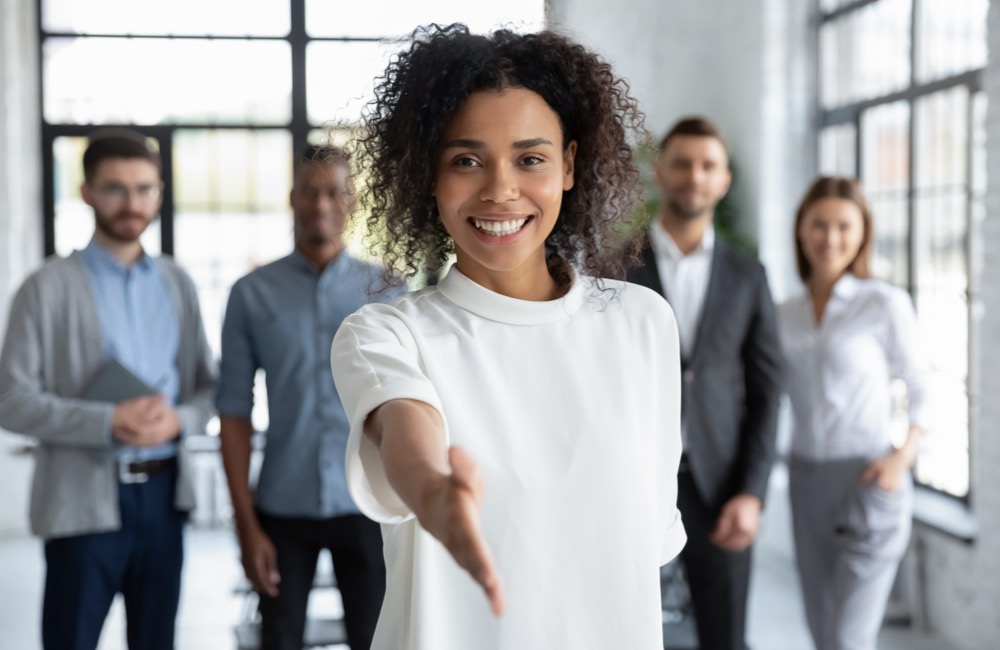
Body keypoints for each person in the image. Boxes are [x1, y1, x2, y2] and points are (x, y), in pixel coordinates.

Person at [328, 23, 686, 650]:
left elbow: (646, 538)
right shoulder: (388, 334)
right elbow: (407, 429)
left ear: (569, 165)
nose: (500, 189)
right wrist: (433, 491)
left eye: (530, 158)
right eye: (466, 160)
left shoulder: (643, 323)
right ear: (428, 176)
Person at [0, 129, 216, 650]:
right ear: (87, 192)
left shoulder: (176, 283)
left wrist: (180, 421)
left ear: (159, 193)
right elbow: (11, 400)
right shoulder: (46, 287)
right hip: (83, 501)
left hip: (165, 499)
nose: (132, 202)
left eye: (144, 188)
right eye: (115, 188)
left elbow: (206, 388)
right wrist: (106, 422)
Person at [216, 145, 401, 650]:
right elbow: (232, 411)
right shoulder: (251, 293)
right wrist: (245, 526)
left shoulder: (388, 292)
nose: (323, 203)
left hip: (369, 503)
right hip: (283, 506)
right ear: (293, 199)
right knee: (278, 640)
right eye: (311, 191)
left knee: (378, 639)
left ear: (352, 202)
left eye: (335, 192)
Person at [626, 116, 783, 650]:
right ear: (660, 172)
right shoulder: (615, 268)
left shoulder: (748, 275)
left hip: (723, 486)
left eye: (708, 165)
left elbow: (767, 392)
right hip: (636, 482)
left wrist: (752, 493)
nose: (695, 175)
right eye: (683, 163)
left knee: (725, 635)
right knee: (627, 629)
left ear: (724, 180)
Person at [779, 176, 930, 650]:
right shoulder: (784, 312)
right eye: (819, 225)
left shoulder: (883, 304)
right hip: (805, 481)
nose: (831, 238)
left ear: (863, 232)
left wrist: (900, 460)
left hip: (868, 477)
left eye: (845, 226)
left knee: (848, 638)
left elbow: (925, 390)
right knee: (823, 632)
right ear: (801, 230)